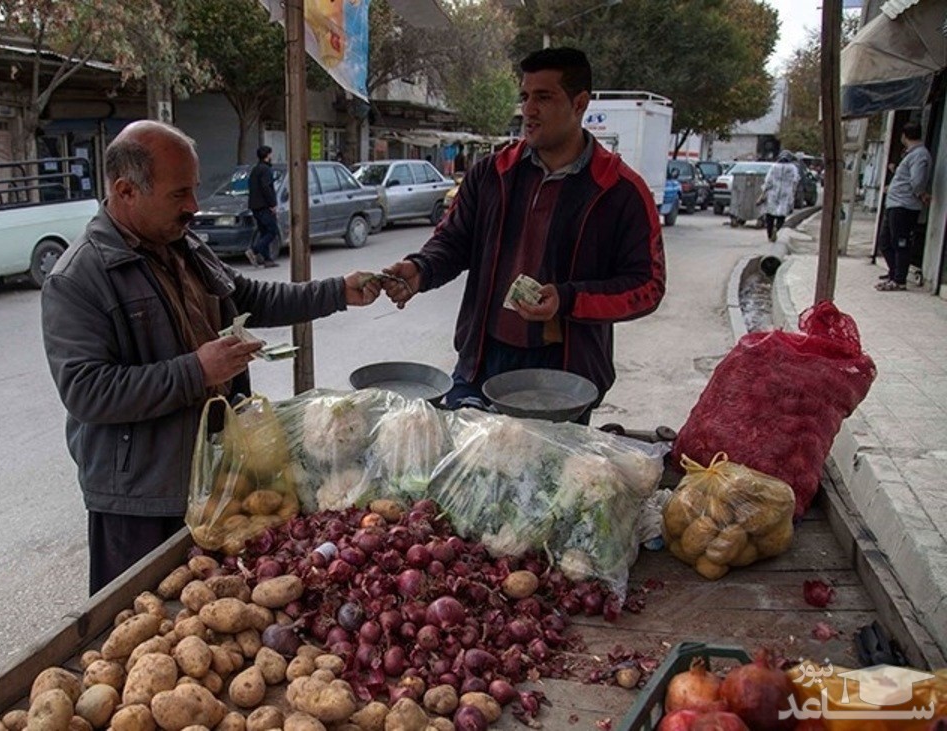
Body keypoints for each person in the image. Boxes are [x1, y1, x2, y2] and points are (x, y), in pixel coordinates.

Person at [40, 121, 381, 594]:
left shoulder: (183, 246)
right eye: (180, 194)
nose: (194, 207)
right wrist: (198, 370)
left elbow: (249, 297)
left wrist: (337, 292)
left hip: (212, 479)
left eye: (194, 190)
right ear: (126, 191)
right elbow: (87, 392)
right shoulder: (78, 279)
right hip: (141, 500)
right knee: (137, 618)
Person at [378, 47, 665, 424]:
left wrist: (567, 299)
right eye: (525, 96)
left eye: (544, 97)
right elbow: (454, 241)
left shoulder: (620, 190)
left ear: (580, 103)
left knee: (545, 479)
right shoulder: (491, 174)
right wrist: (421, 269)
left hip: (564, 376)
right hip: (482, 359)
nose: (529, 110)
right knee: (468, 471)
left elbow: (647, 286)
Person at [876, 122, 932, 292]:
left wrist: (921, 193)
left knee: (900, 242)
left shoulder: (920, 155)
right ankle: (894, 273)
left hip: (904, 205)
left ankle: (899, 279)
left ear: (903, 136)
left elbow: (917, 181)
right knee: (885, 241)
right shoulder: (911, 155)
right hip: (895, 203)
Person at [246, 145, 280, 268]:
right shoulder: (266, 170)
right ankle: (254, 250)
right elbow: (266, 187)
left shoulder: (255, 169)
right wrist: (272, 204)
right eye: (270, 154)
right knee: (272, 231)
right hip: (264, 206)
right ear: (267, 156)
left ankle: (267, 259)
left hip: (255, 205)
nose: (272, 157)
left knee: (263, 231)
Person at [759, 150, 800, 243]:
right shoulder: (793, 168)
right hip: (786, 193)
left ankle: (770, 234)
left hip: (773, 193)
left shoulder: (774, 167)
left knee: (770, 215)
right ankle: (776, 228)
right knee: (782, 214)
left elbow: (768, 181)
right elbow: (795, 181)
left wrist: (763, 192)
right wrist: (793, 194)